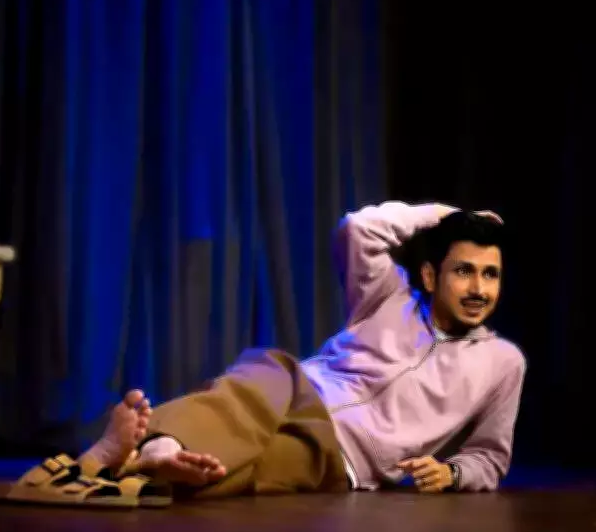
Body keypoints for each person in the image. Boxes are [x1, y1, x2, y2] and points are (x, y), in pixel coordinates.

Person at [81, 201, 526, 497]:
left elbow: (489, 456)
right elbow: (360, 228)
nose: (478, 288)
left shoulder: (503, 363)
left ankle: (136, 464)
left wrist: (453, 473)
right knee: (266, 369)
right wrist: (450, 216)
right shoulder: (390, 296)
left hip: (341, 457)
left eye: (491, 275)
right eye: (464, 271)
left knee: (239, 470)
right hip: (298, 390)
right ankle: (164, 443)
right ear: (430, 276)